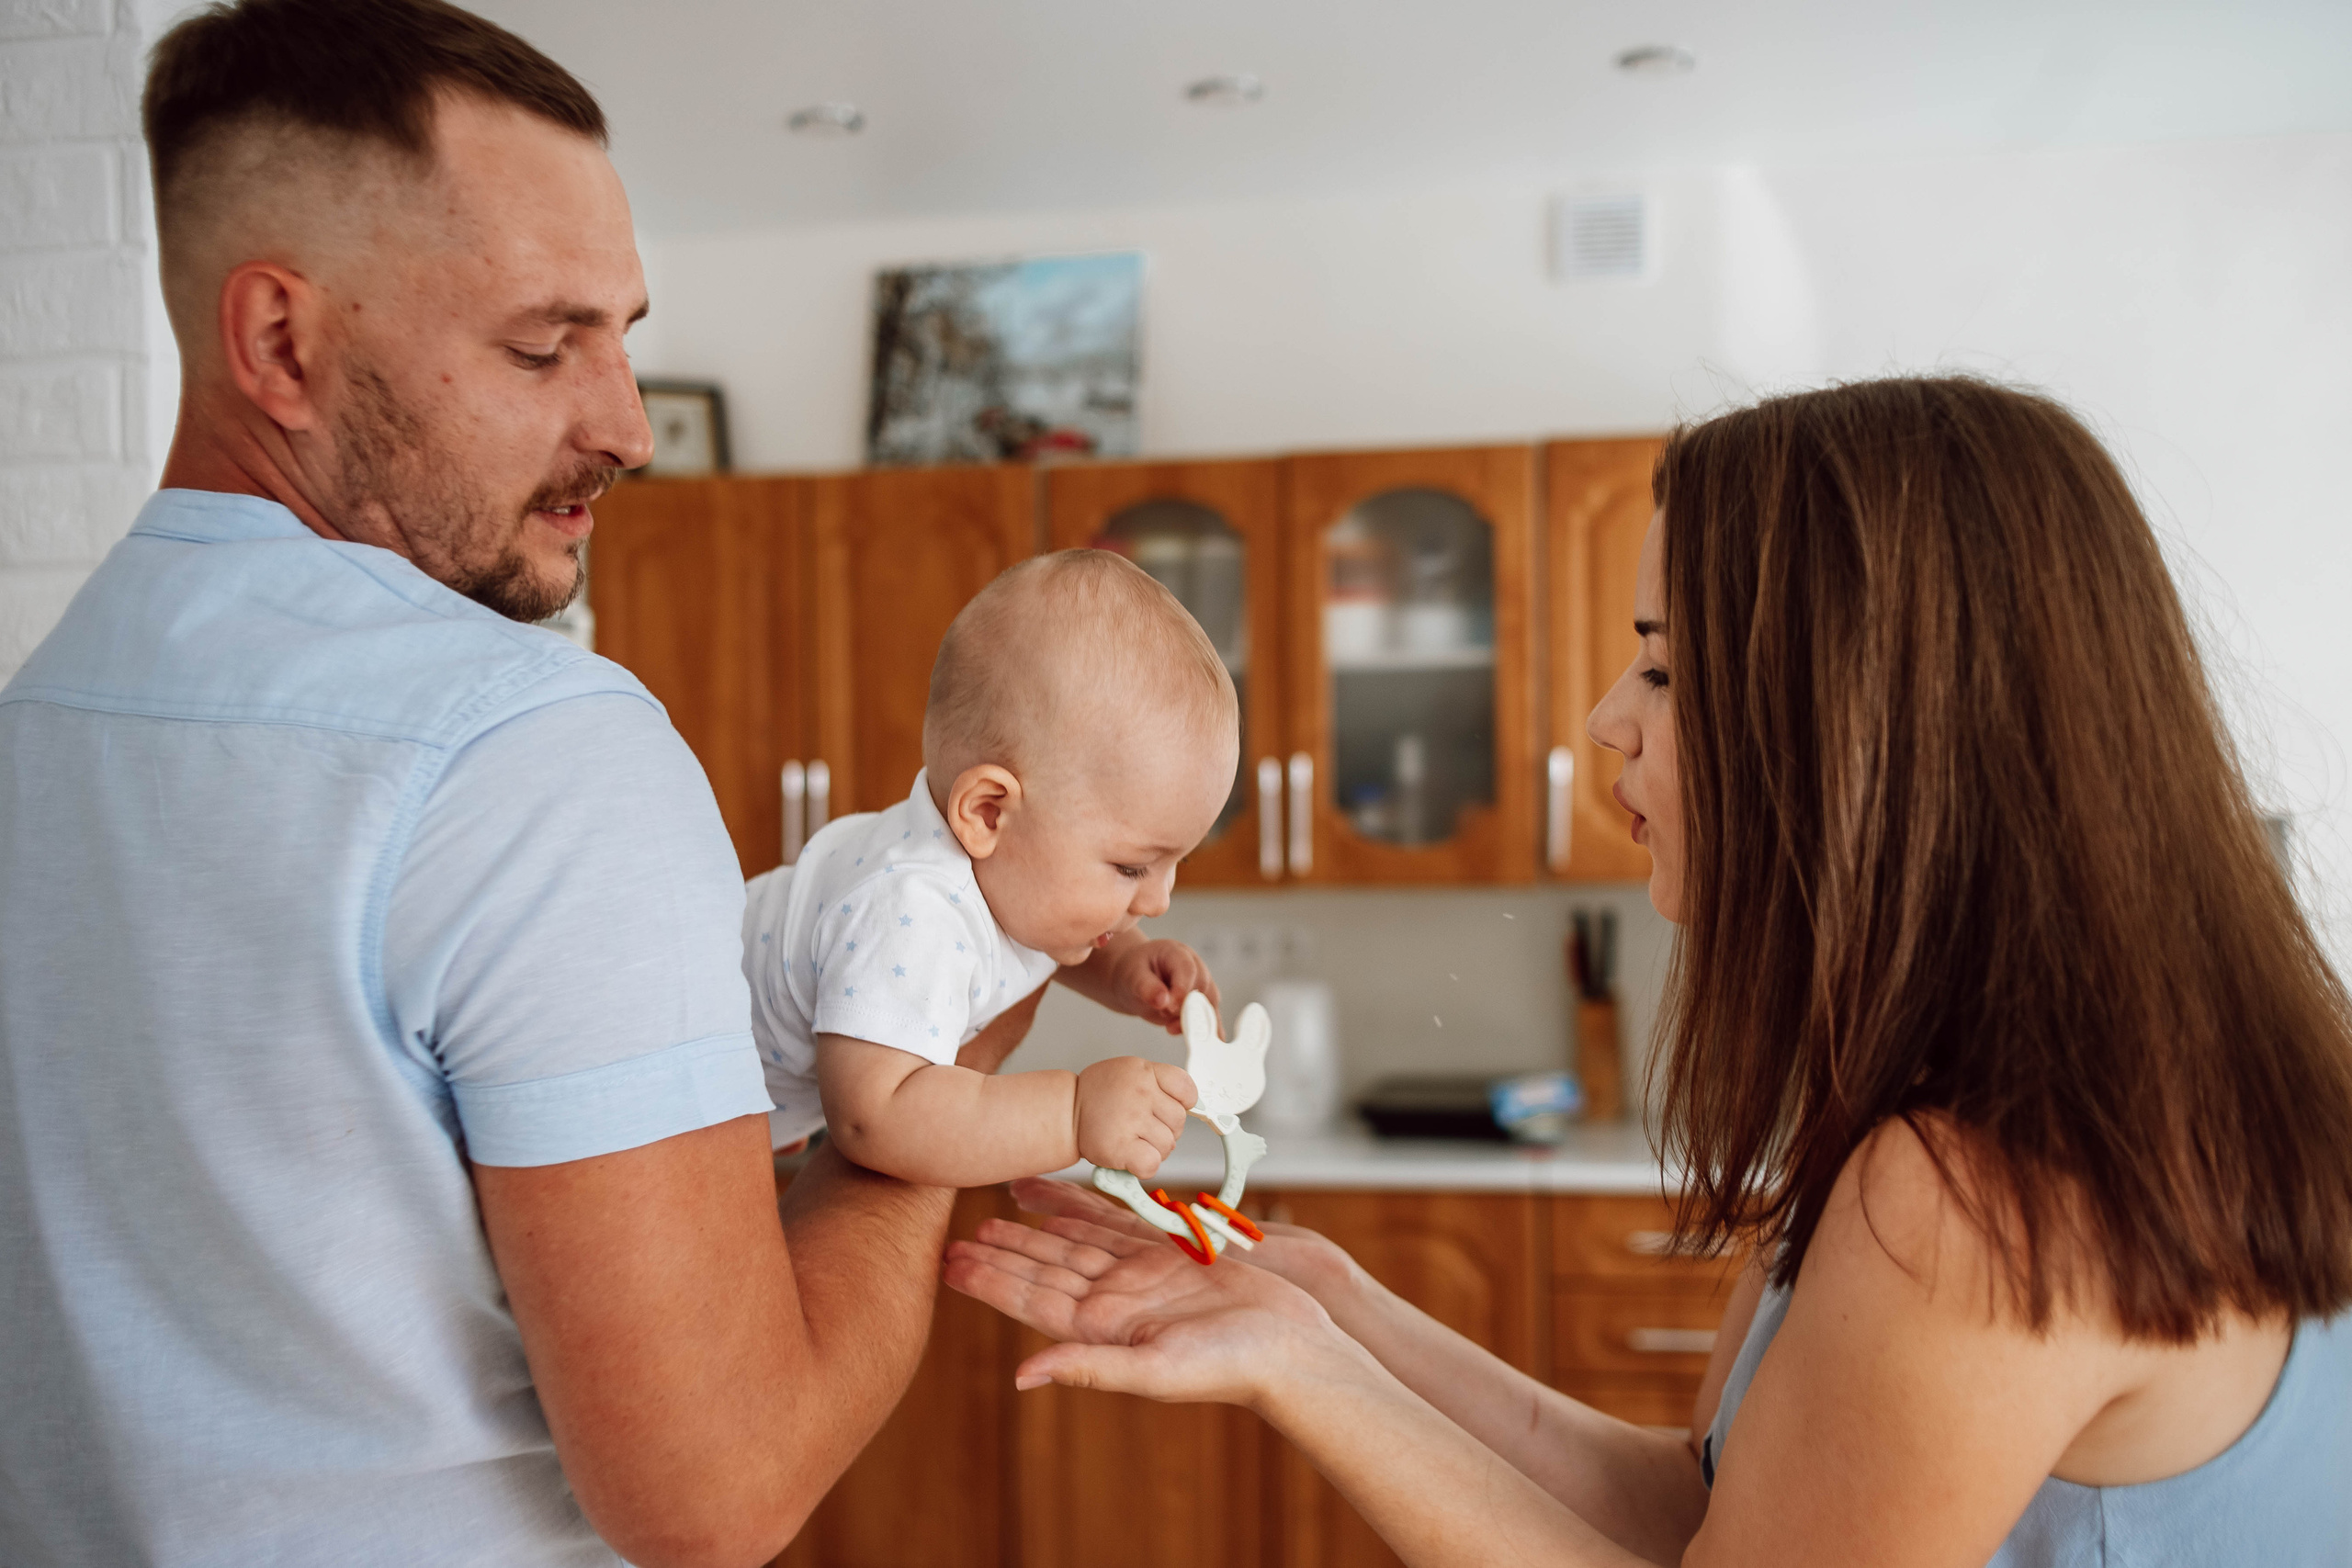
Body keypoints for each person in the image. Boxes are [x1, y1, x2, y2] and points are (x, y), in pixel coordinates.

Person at [945, 377, 2352, 1566]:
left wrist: (1298, 1371)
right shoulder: (1993, 1103)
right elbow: (1706, 1509)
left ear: (1863, 722)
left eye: (1666, 672)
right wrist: (1335, 1306)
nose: (1607, 719)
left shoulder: (1983, 1193)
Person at [0, 3, 996, 1564]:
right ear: (282, 344)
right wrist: (930, 1084)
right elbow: (717, 1494)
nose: (631, 428)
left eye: (623, 334)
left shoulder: (41, 720)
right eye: (543, 345)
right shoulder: (530, 747)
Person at [742, 550, 1233, 1184]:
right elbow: (876, 1116)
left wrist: (1124, 967)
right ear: (988, 812)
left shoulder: (1006, 872)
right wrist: (1073, 1113)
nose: (1159, 901)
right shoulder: (911, 911)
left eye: (1174, 863)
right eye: (1132, 867)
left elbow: (1042, 935)